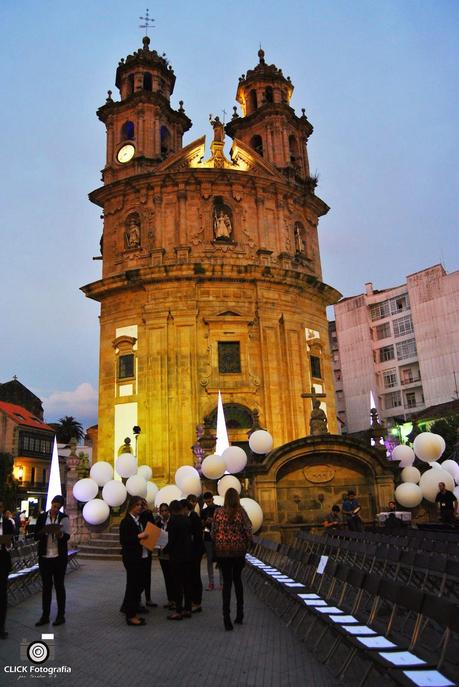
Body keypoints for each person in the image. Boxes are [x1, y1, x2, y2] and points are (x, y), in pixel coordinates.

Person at [212, 488, 252, 631]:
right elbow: (248, 530)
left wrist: (219, 544)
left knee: (227, 583)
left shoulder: (218, 512)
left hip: (223, 553)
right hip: (238, 552)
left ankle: (226, 617)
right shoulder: (241, 512)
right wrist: (247, 544)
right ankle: (240, 614)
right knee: (238, 580)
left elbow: (213, 532)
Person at [34, 495, 71, 626]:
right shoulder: (43, 517)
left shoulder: (64, 518)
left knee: (59, 586)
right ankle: (45, 616)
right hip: (45, 557)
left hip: (59, 557)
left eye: (58, 507)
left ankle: (61, 615)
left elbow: (67, 536)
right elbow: (35, 536)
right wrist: (44, 531)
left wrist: (60, 534)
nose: (56, 509)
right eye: (54, 506)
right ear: (51, 504)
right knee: (46, 587)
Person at [119, 496, 149, 626]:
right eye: (137, 505)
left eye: (141, 505)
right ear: (131, 506)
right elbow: (124, 540)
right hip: (131, 557)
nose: (139, 507)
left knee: (140, 583)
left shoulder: (139, 520)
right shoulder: (126, 521)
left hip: (140, 555)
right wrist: (139, 536)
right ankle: (131, 616)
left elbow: (148, 518)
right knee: (133, 585)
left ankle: (131, 607)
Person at [167, 500, 194, 620]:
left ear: (172, 510)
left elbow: (171, 540)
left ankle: (178, 611)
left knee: (177, 584)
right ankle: (187, 609)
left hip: (177, 557)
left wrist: (165, 549)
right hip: (188, 555)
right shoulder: (186, 520)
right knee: (187, 583)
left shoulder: (173, 521)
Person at [185, 498, 204, 613]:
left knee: (195, 576)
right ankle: (192, 600)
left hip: (195, 552)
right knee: (191, 576)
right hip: (191, 552)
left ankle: (197, 602)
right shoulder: (188, 517)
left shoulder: (194, 517)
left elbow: (196, 535)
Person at [201, 492, 223, 590]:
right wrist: (206, 522)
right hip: (207, 535)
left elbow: (223, 521)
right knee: (209, 560)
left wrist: (213, 521)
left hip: (218, 536)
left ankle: (222, 583)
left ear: (212, 499)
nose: (208, 504)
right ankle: (211, 583)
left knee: (220, 559)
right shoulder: (203, 511)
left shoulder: (219, 508)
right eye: (206, 502)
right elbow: (201, 525)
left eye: (209, 501)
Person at [0, 501, 15, 639]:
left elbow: (12, 544)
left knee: (2, 596)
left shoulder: (8, 523)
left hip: (2, 563)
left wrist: (8, 544)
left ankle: (1, 627)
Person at [139, 499, 158, 609]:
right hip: (140, 549)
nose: (141, 507)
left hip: (146, 547)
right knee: (142, 576)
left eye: (142, 505)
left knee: (146, 575)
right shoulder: (134, 518)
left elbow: (152, 528)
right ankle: (143, 599)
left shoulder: (147, 514)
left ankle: (147, 598)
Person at [157, 503, 176, 609]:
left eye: (165, 511)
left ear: (169, 511)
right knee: (167, 578)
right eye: (162, 511)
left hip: (171, 554)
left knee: (173, 577)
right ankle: (170, 600)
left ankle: (175, 600)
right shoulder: (158, 522)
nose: (164, 513)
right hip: (162, 554)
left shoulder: (172, 522)